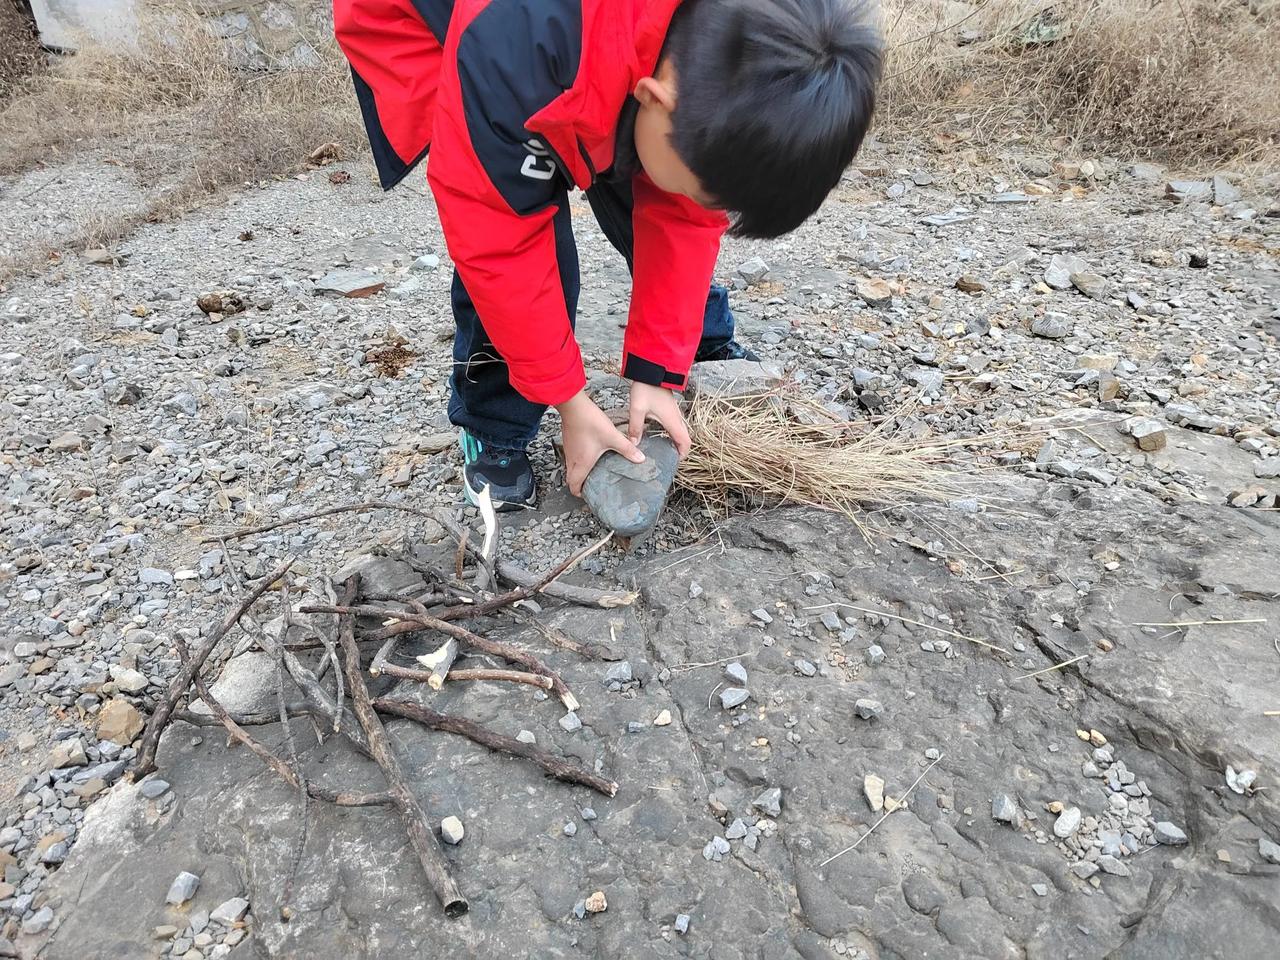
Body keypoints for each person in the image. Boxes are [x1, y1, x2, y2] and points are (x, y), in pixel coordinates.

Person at [335, 0, 882, 509]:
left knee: (664, 180)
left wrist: (657, 371)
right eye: (711, 197)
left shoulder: (746, 44)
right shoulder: (509, 52)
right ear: (655, 97)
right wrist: (571, 402)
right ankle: (494, 422)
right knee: (521, 224)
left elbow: (685, 220)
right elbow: (496, 239)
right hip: (451, 26)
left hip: (610, 48)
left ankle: (692, 345)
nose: (706, 211)